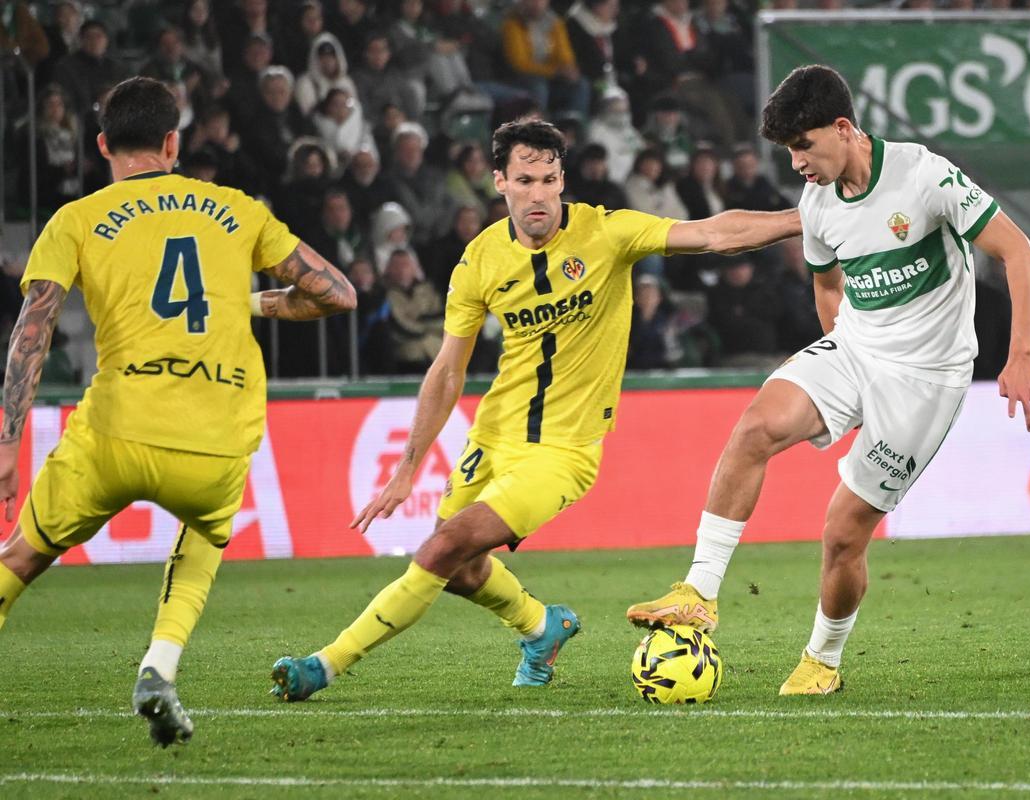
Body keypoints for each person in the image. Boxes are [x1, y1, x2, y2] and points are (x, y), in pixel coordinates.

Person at [269, 117, 802, 700]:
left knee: (442, 549)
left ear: (562, 179)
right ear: (500, 181)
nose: (540, 193)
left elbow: (713, 234)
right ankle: (542, 627)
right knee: (463, 569)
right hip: (493, 437)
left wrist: (804, 219)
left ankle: (324, 665)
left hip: (563, 451)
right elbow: (447, 369)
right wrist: (406, 469)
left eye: (550, 179)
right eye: (525, 180)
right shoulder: (479, 260)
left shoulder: (608, 233)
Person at [626, 65, 1030, 695]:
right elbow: (827, 282)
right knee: (754, 428)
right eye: (788, 151)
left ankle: (822, 660)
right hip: (856, 348)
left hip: (925, 378)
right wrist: (835, 356)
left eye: (804, 145)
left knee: (842, 534)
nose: (797, 162)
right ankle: (699, 592)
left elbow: (1020, 252)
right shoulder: (818, 202)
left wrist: (1021, 353)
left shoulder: (923, 175)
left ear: (844, 127)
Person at [0, 77, 355, 746]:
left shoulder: (75, 219)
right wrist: (248, 304)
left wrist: (8, 439)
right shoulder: (237, 209)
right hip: (216, 436)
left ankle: (156, 670)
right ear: (173, 141)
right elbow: (338, 293)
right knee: (206, 534)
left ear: (103, 144)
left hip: (117, 430)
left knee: (21, 557)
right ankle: (159, 667)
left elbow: (34, 327)